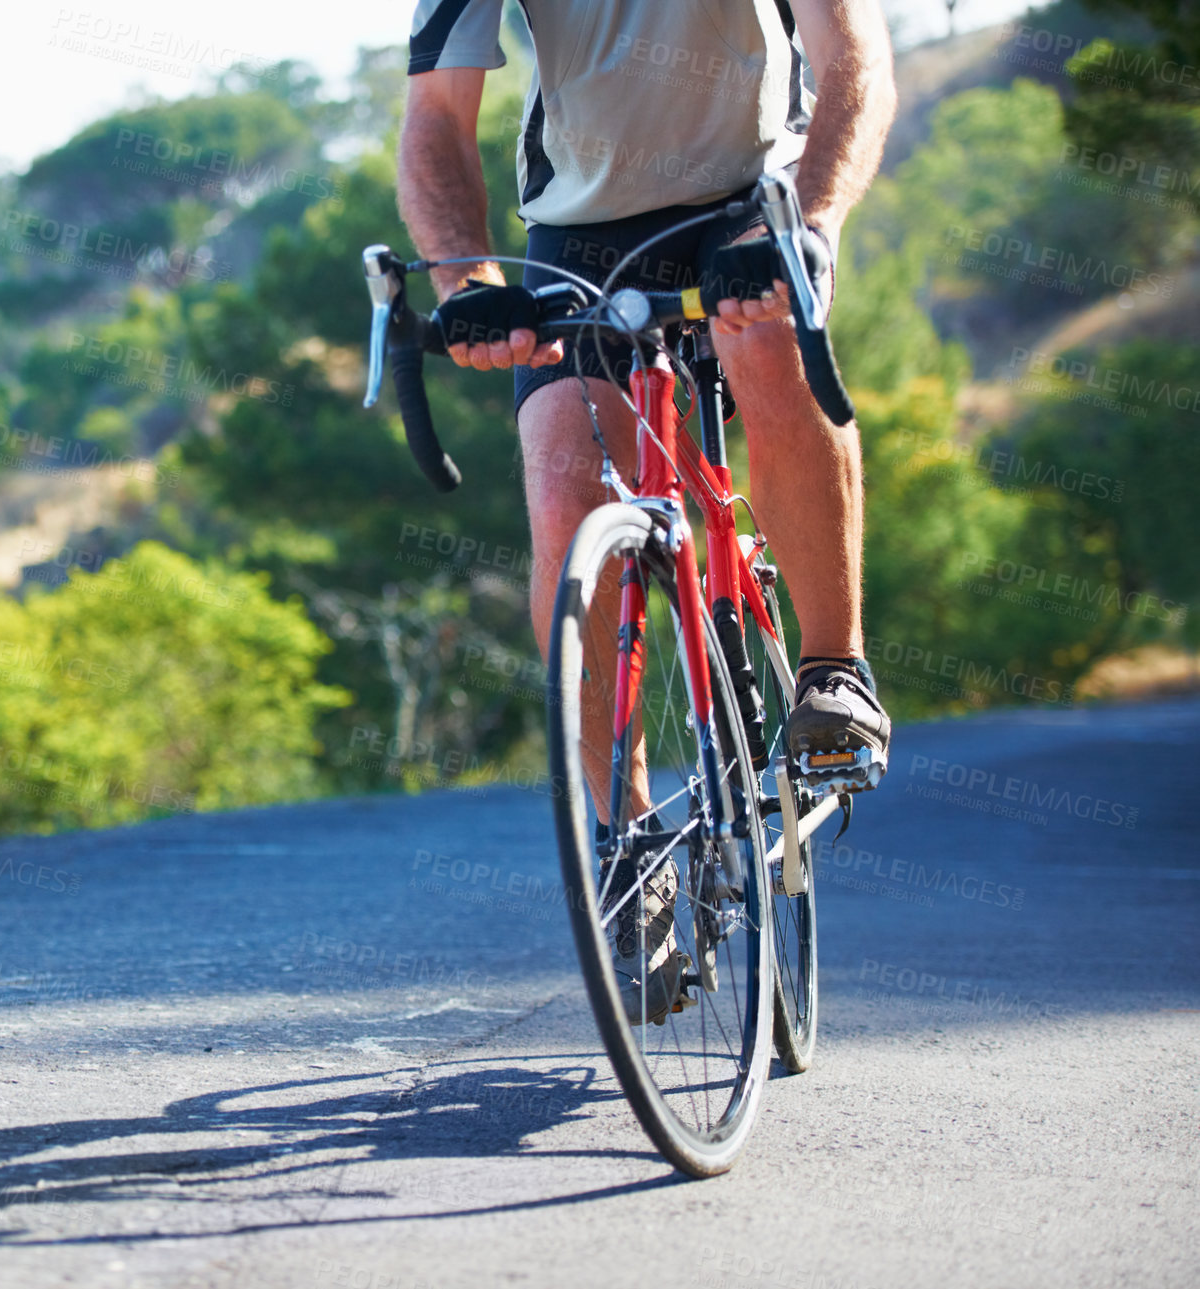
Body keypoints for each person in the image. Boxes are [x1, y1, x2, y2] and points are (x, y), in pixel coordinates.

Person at [396, 0, 896, 1022]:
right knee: (563, 489)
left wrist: (809, 222)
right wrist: (466, 277)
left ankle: (830, 668)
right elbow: (436, 120)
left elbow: (853, 54)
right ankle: (627, 841)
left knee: (763, 349)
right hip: (578, 231)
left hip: (752, 196)